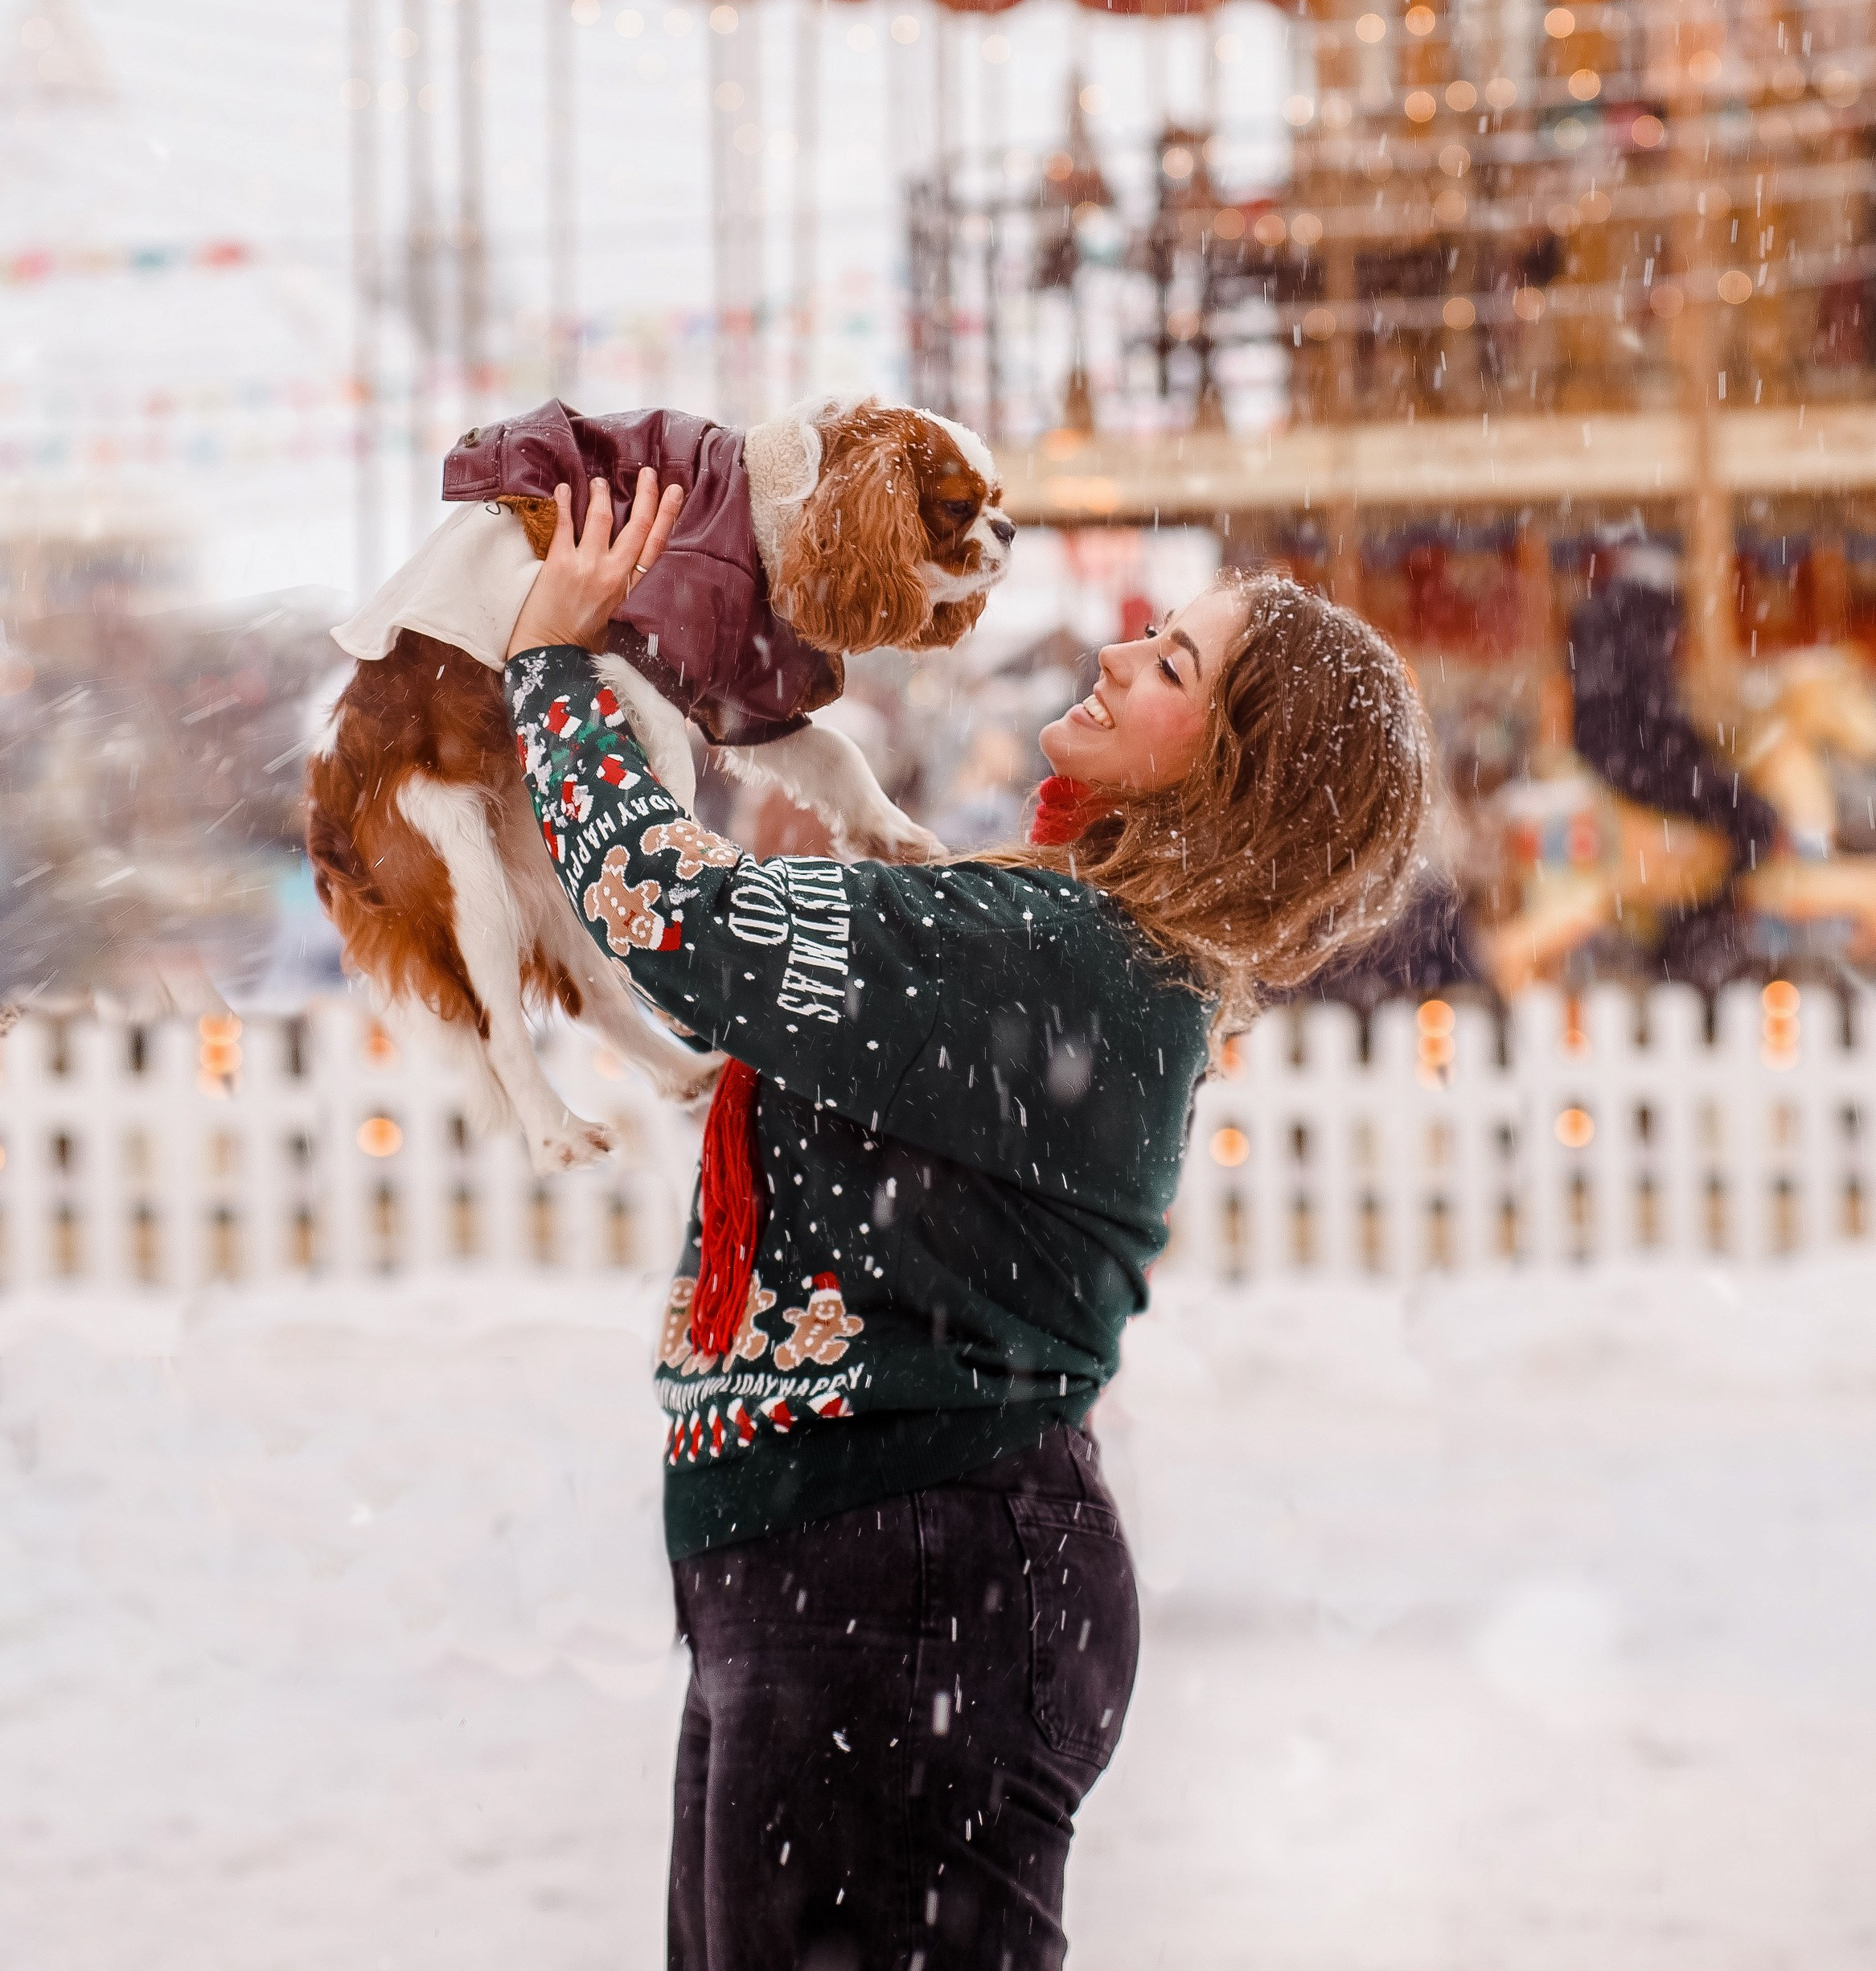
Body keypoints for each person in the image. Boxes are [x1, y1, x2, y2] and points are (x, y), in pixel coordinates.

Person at [504, 471, 1434, 1971]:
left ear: (1231, 775)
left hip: (905, 1581)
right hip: (861, 1575)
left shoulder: (1062, 958)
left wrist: (551, 666)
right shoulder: (1062, 945)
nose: (1118, 653)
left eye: (1172, 665)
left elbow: (680, 918)